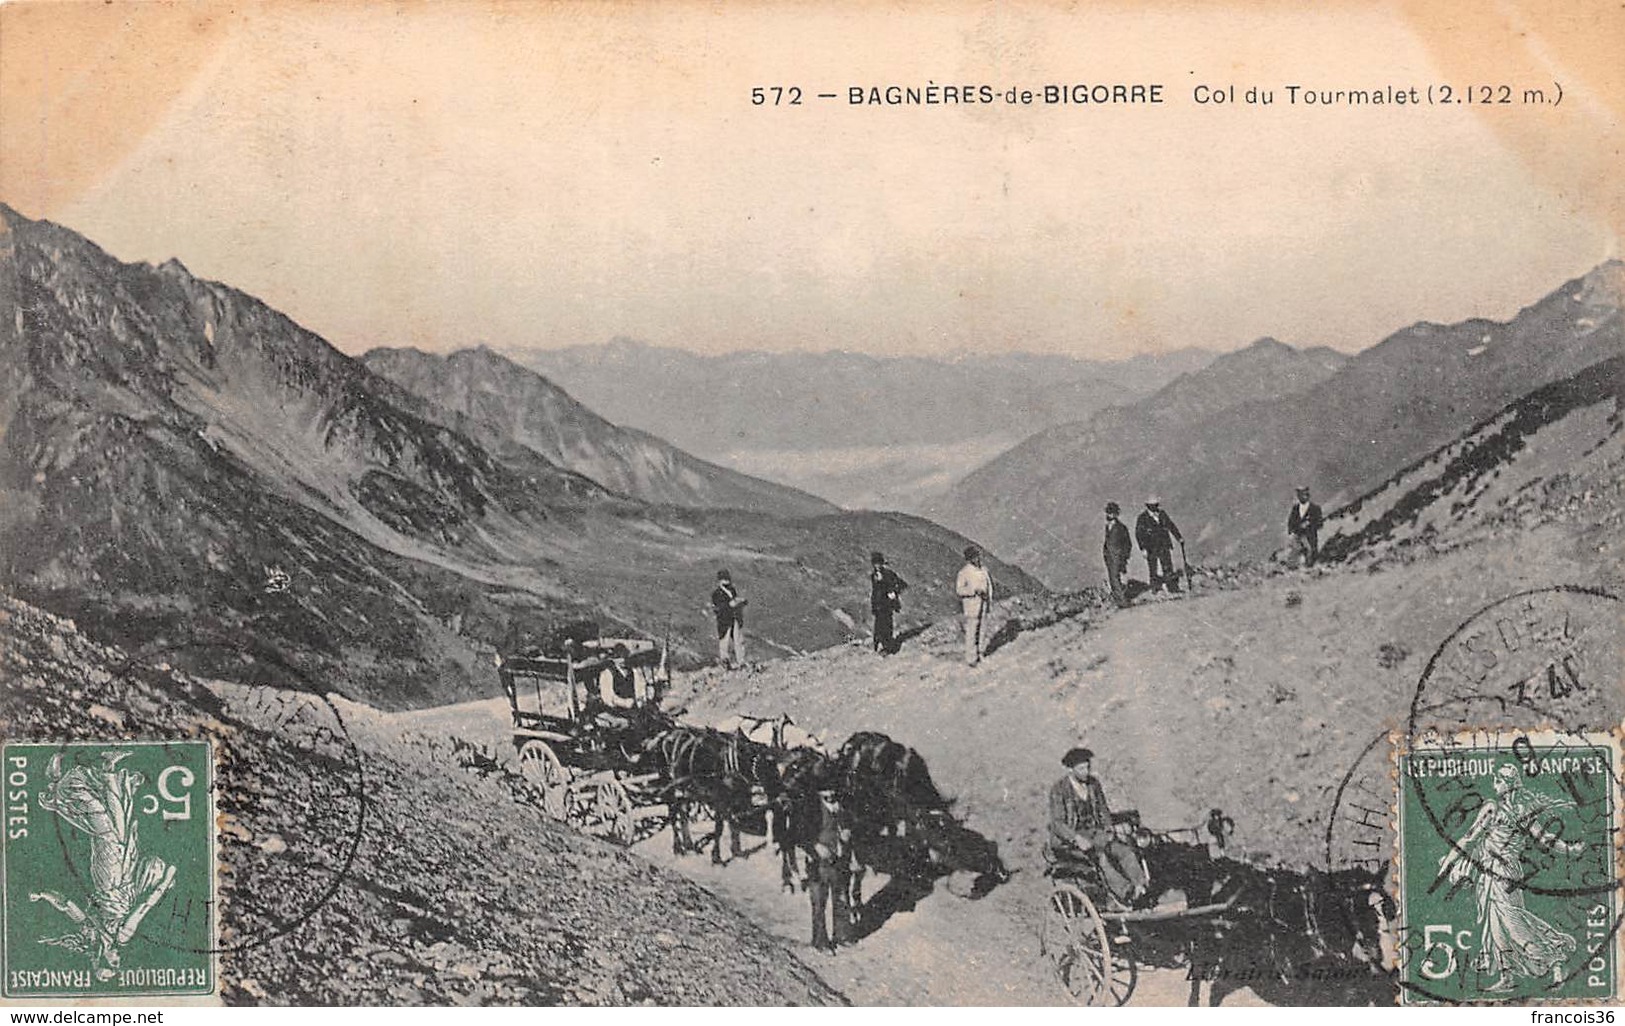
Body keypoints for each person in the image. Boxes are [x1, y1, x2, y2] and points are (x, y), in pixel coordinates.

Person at [1437, 763, 1582, 993]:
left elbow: (1468, 838)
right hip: (1503, 872)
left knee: (1512, 924)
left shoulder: (1494, 809)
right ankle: (1508, 976)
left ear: (1507, 784)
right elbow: (1545, 838)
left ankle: (1554, 959)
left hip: (1500, 872)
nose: (1494, 781)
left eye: (1498, 778)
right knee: (1498, 926)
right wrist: (1570, 849)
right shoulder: (1519, 811)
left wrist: (1447, 862)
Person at [1045, 747, 1147, 907]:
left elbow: (1103, 811)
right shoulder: (1059, 790)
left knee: (1123, 850)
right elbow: (1058, 823)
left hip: (1094, 833)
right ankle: (1126, 892)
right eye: (1081, 768)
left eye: (1087, 767)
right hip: (1069, 841)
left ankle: (1141, 887)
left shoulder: (1093, 784)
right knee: (1100, 857)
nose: (1086, 772)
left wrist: (1108, 830)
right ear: (1070, 769)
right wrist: (1077, 839)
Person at [1134, 496, 1183, 593]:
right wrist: (1143, 548)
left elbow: (1171, 526)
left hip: (1164, 545)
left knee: (1168, 567)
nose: (1155, 507)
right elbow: (1139, 534)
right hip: (1151, 548)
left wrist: (1179, 537)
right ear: (1148, 506)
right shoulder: (1142, 518)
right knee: (1153, 568)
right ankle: (1155, 588)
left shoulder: (1162, 514)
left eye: (1156, 505)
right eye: (1152, 505)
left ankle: (1173, 588)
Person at [954, 545, 993, 666]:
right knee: (972, 630)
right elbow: (959, 590)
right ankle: (971, 657)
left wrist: (989, 598)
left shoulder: (984, 570)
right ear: (969, 559)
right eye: (974, 557)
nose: (977, 559)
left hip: (984, 603)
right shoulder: (964, 572)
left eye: (978, 556)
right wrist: (973, 591)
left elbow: (989, 585)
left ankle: (980, 652)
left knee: (982, 628)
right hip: (972, 605)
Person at [869, 551, 908, 655]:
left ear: (882, 563)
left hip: (886, 605)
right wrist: (873, 605)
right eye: (875, 563)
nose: (877, 566)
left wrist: (894, 592)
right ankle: (880, 646)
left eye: (879, 563)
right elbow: (875, 591)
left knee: (886, 625)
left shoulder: (888, 574)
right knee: (878, 626)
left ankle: (889, 648)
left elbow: (902, 584)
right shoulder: (873, 576)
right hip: (878, 605)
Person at [710, 569, 747, 669]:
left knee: (738, 640)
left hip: (734, 618)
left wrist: (740, 602)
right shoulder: (717, 593)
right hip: (724, 621)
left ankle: (741, 661)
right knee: (724, 642)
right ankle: (725, 662)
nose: (726, 581)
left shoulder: (732, 590)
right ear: (719, 581)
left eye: (727, 579)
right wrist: (730, 605)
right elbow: (718, 608)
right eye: (724, 579)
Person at [1102, 502, 1132, 608]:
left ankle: (1122, 602)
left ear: (1115, 514)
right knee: (1112, 578)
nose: (1109, 515)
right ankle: (1118, 600)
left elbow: (1128, 544)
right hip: (1109, 557)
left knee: (1115, 578)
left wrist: (1124, 557)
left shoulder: (1121, 527)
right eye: (1108, 512)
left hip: (1117, 557)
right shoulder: (1108, 526)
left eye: (1111, 513)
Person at [1287, 486, 1324, 567]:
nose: (1301, 497)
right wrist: (1292, 531)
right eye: (1299, 495)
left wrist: (1309, 524)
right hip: (1298, 536)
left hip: (1310, 536)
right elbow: (1291, 522)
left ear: (1308, 495)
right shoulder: (1295, 508)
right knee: (1295, 553)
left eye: (1303, 494)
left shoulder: (1315, 508)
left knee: (1311, 554)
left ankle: (1311, 568)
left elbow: (1320, 523)